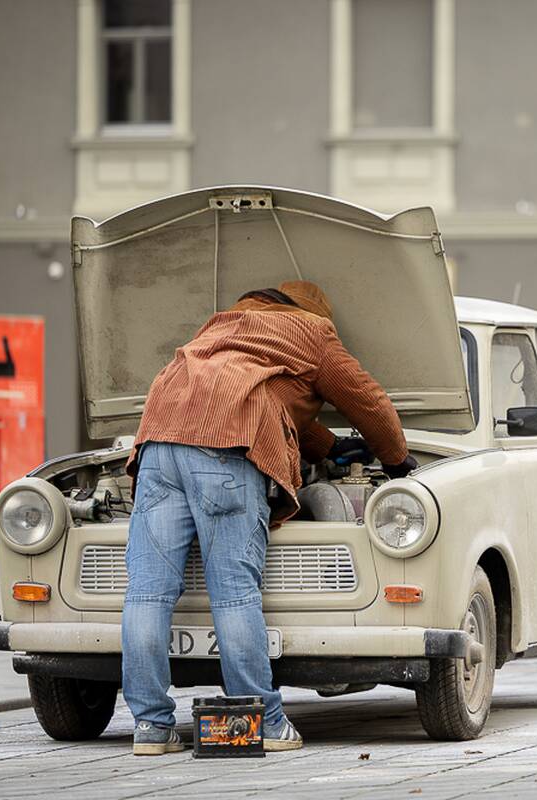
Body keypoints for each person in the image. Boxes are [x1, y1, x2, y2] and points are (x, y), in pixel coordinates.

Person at [121, 280, 417, 756]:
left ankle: (151, 727)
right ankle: (264, 718)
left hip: (157, 443)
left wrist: (329, 447)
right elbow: (367, 400)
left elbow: (256, 390)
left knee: (148, 592)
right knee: (235, 593)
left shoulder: (223, 324)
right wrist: (397, 458)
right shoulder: (314, 332)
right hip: (225, 450)